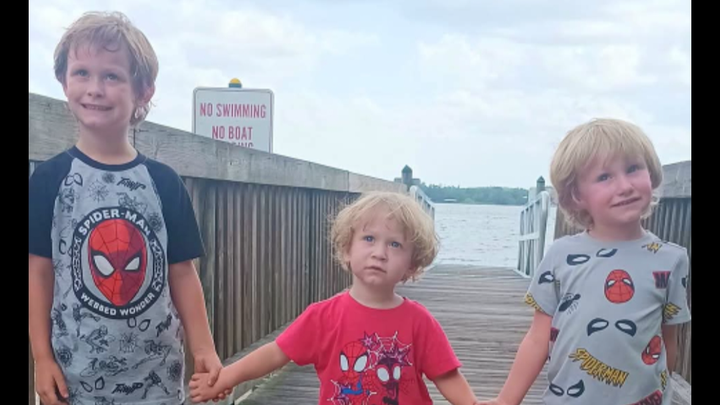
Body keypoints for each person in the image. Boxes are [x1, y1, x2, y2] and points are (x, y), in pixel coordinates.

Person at [28, 11, 227, 405]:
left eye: (112, 76)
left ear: (144, 91)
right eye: (81, 73)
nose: (94, 89)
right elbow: (39, 272)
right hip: (74, 383)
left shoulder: (164, 182)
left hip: (158, 382)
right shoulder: (49, 179)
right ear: (63, 81)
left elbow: (182, 272)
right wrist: (42, 357)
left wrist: (204, 348)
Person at [189, 191, 479, 404]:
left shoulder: (419, 322)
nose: (379, 253)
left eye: (395, 244)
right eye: (369, 239)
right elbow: (276, 353)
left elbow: (446, 374)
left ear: (411, 265)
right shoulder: (323, 316)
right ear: (347, 249)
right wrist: (226, 378)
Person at [479, 118, 690, 405]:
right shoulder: (561, 255)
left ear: (651, 174)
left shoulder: (671, 259)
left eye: (633, 168)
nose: (625, 186)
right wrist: (506, 400)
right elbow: (538, 338)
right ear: (578, 195)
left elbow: (668, 340)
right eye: (604, 177)